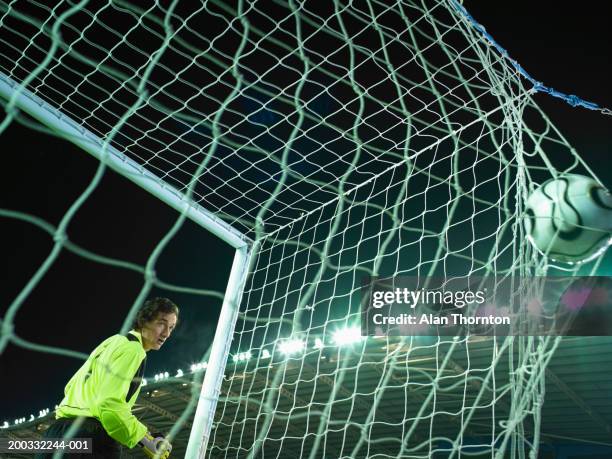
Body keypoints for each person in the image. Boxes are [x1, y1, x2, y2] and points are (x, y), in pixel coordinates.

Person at [35, 297, 179, 458]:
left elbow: (70, 386)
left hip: (54, 435)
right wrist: (145, 440)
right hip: (91, 437)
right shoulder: (134, 350)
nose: (166, 333)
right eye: (161, 323)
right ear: (144, 321)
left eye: (171, 328)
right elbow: (109, 404)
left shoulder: (112, 342)